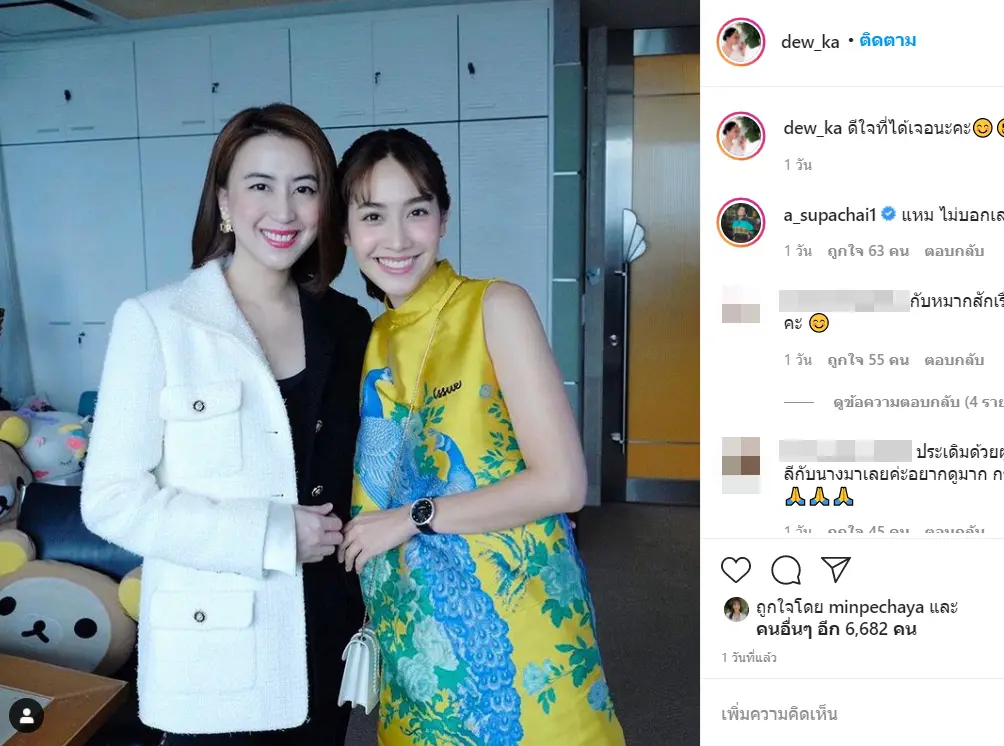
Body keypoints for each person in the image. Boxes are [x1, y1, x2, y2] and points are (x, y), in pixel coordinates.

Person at [80, 103, 372, 745]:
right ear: (223, 202)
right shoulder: (158, 322)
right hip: (212, 651)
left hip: (325, 633)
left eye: (305, 188)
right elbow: (111, 501)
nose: (284, 211)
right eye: (260, 185)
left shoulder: (349, 324)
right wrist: (269, 533)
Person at [335, 128, 627, 745]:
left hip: (519, 634)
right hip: (417, 650)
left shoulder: (495, 306)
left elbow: (563, 484)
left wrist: (411, 517)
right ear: (346, 232)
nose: (396, 238)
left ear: (443, 218)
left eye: (416, 211)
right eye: (373, 216)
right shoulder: (374, 338)